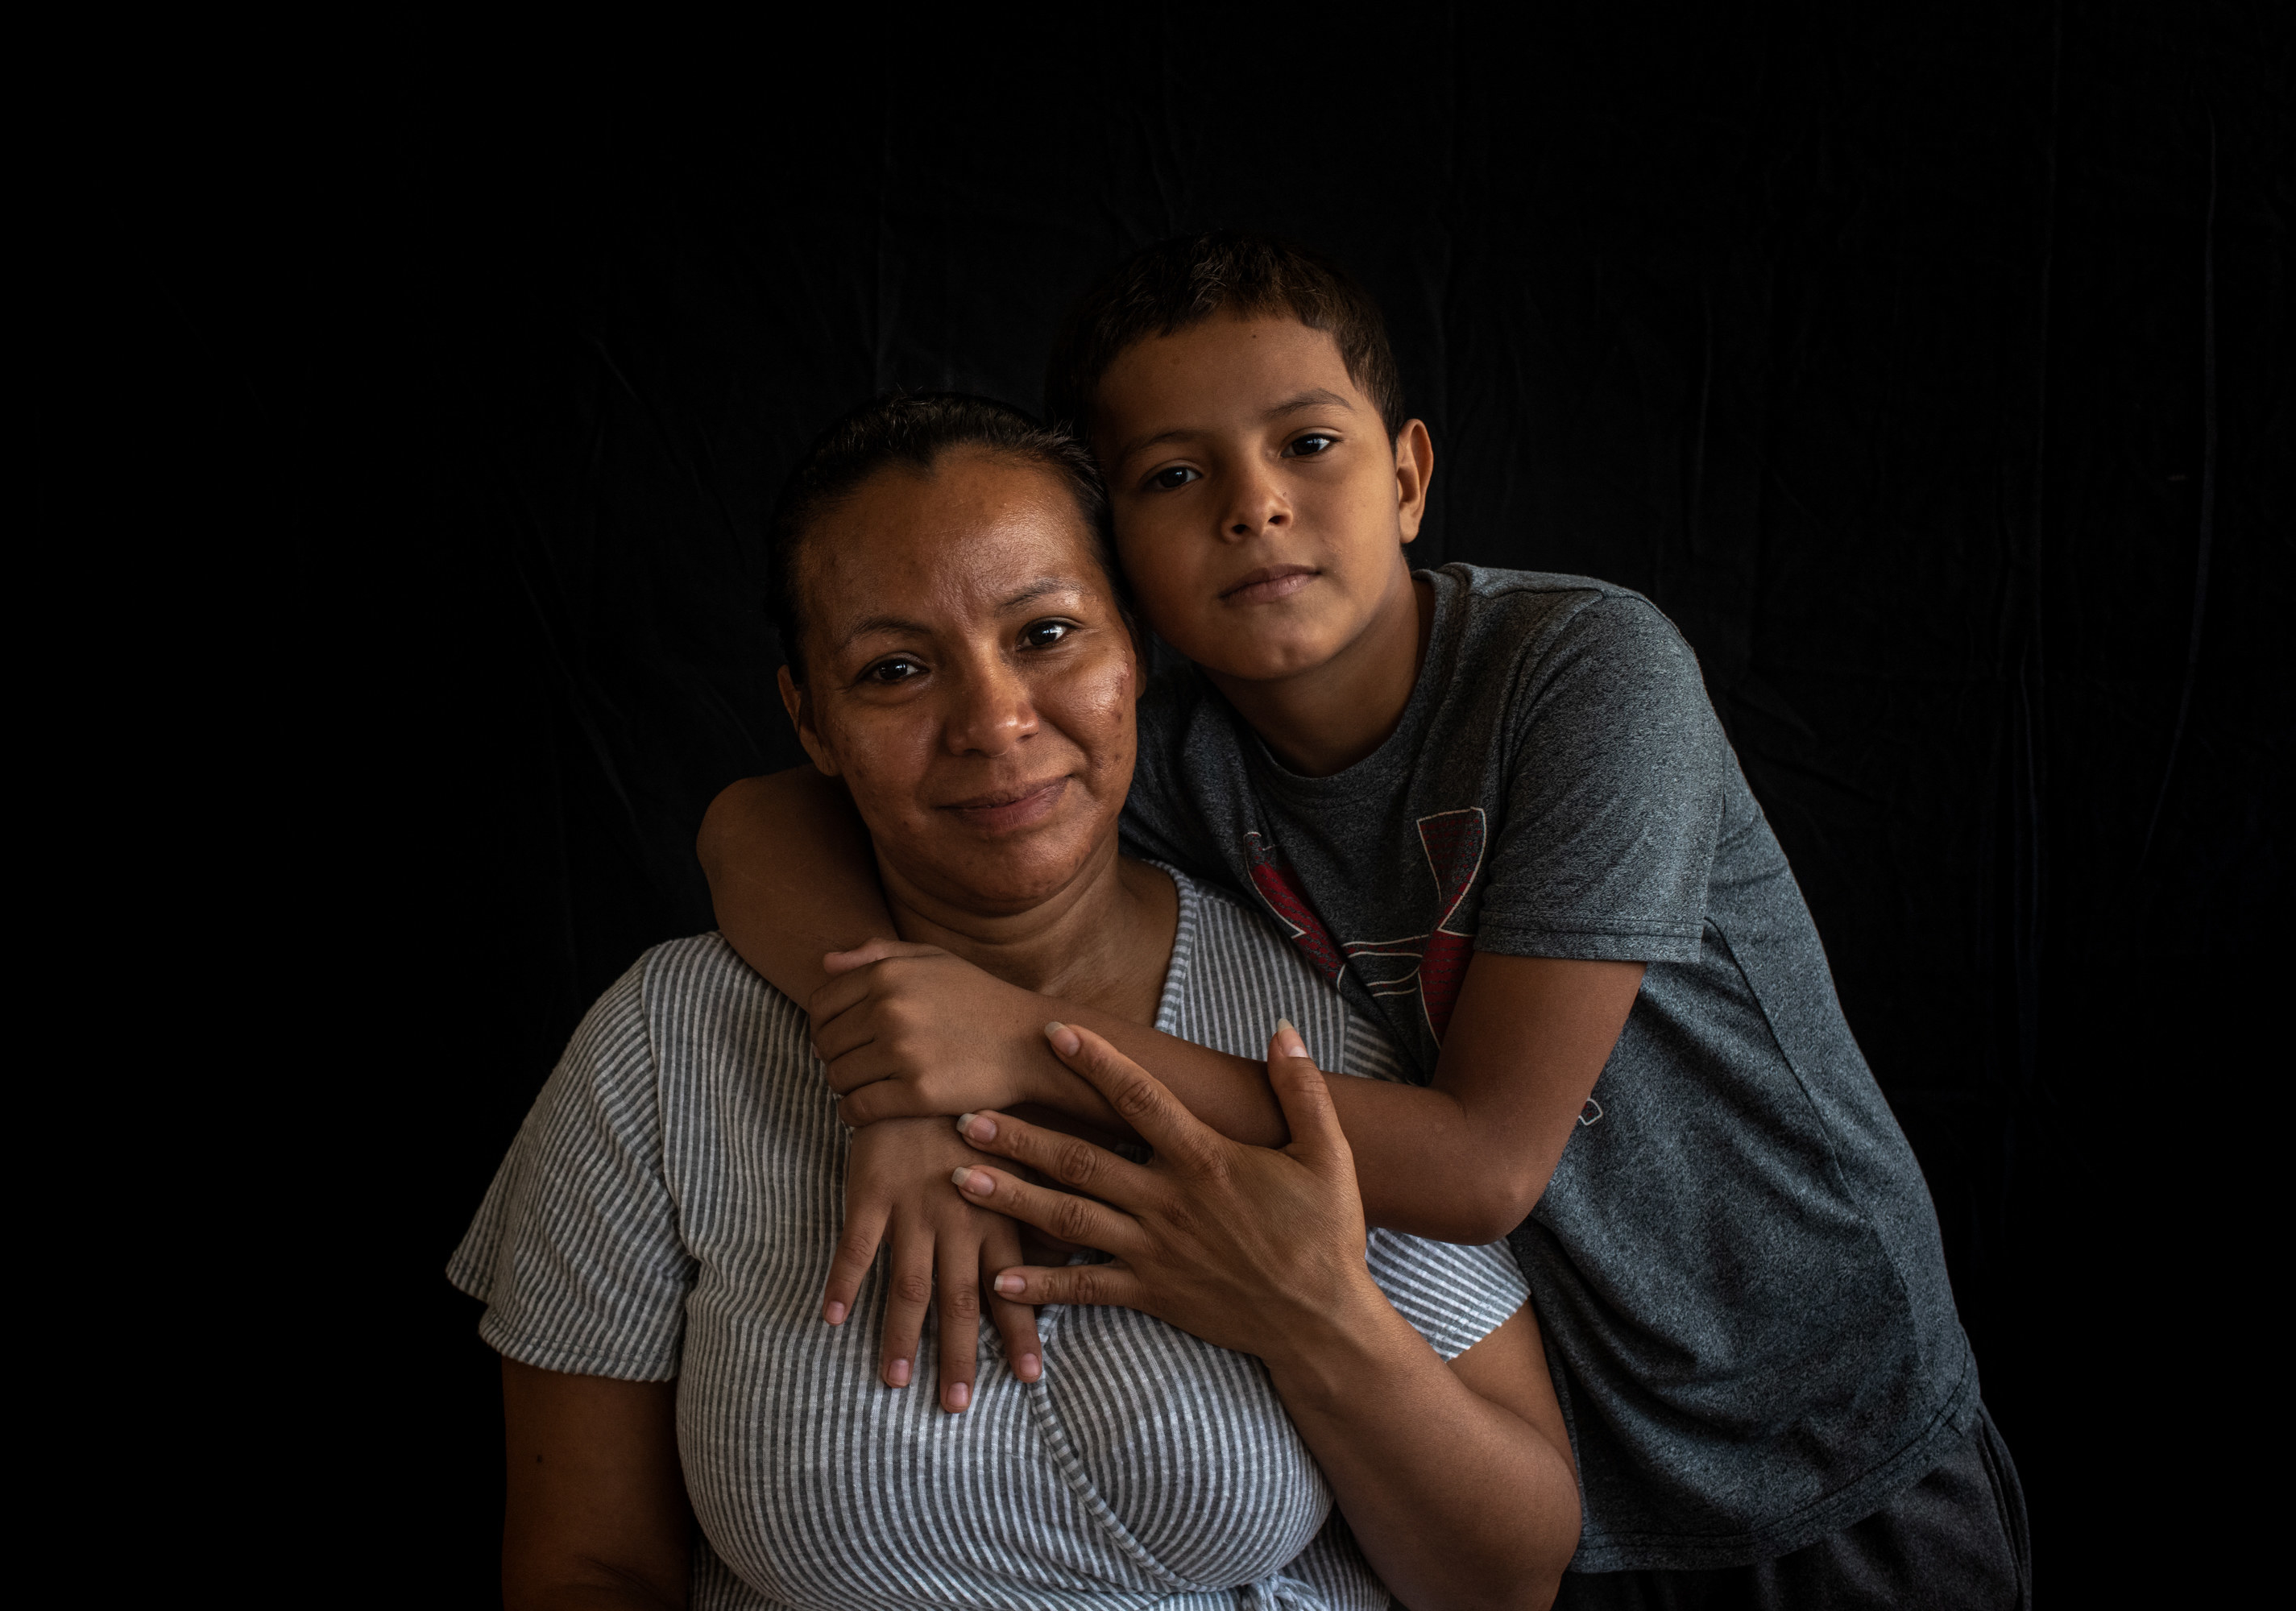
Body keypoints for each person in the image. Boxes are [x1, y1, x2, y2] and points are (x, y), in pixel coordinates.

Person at [698, 234, 2032, 1607]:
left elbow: (1484, 1167)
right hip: (1541, 1444)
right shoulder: (1152, 756)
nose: (1254, 507)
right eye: (1174, 475)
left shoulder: (1580, 671)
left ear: (1407, 476)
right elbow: (754, 826)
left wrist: (1021, 1048)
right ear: (1117, 569)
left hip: (1817, 1429)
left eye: (1308, 445)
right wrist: (903, 1086)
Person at [453, 393, 1581, 1611]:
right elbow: (587, 1565)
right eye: (894, 670)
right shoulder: (665, 1048)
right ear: (809, 721)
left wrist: (1316, 1318)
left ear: (1133, 656)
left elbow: (1506, 1577)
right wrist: (896, 1085)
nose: (993, 723)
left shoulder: (1297, 1025)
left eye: (1046, 634)